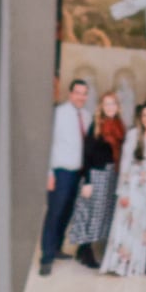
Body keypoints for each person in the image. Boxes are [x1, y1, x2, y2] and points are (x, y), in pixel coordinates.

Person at [38, 79, 93, 276]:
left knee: (67, 212)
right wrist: (49, 173)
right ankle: (46, 257)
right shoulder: (58, 114)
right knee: (55, 213)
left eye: (84, 93)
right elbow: (48, 143)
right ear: (71, 94)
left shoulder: (87, 116)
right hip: (60, 172)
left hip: (78, 173)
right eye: (78, 92)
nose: (81, 97)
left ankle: (57, 248)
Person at [100, 104, 146, 277]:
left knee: (140, 226)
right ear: (140, 117)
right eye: (145, 115)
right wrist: (124, 192)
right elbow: (126, 164)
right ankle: (118, 263)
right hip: (132, 187)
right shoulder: (133, 135)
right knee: (126, 224)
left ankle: (134, 265)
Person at [64, 86, 121, 263]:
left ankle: (92, 248)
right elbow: (87, 154)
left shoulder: (120, 127)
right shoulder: (96, 126)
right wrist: (87, 181)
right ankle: (84, 250)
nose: (110, 107)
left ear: (117, 106)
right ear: (102, 107)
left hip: (112, 175)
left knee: (103, 213)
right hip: (96, 175)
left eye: (112, 104)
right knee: (90, 213)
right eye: (106, 104)